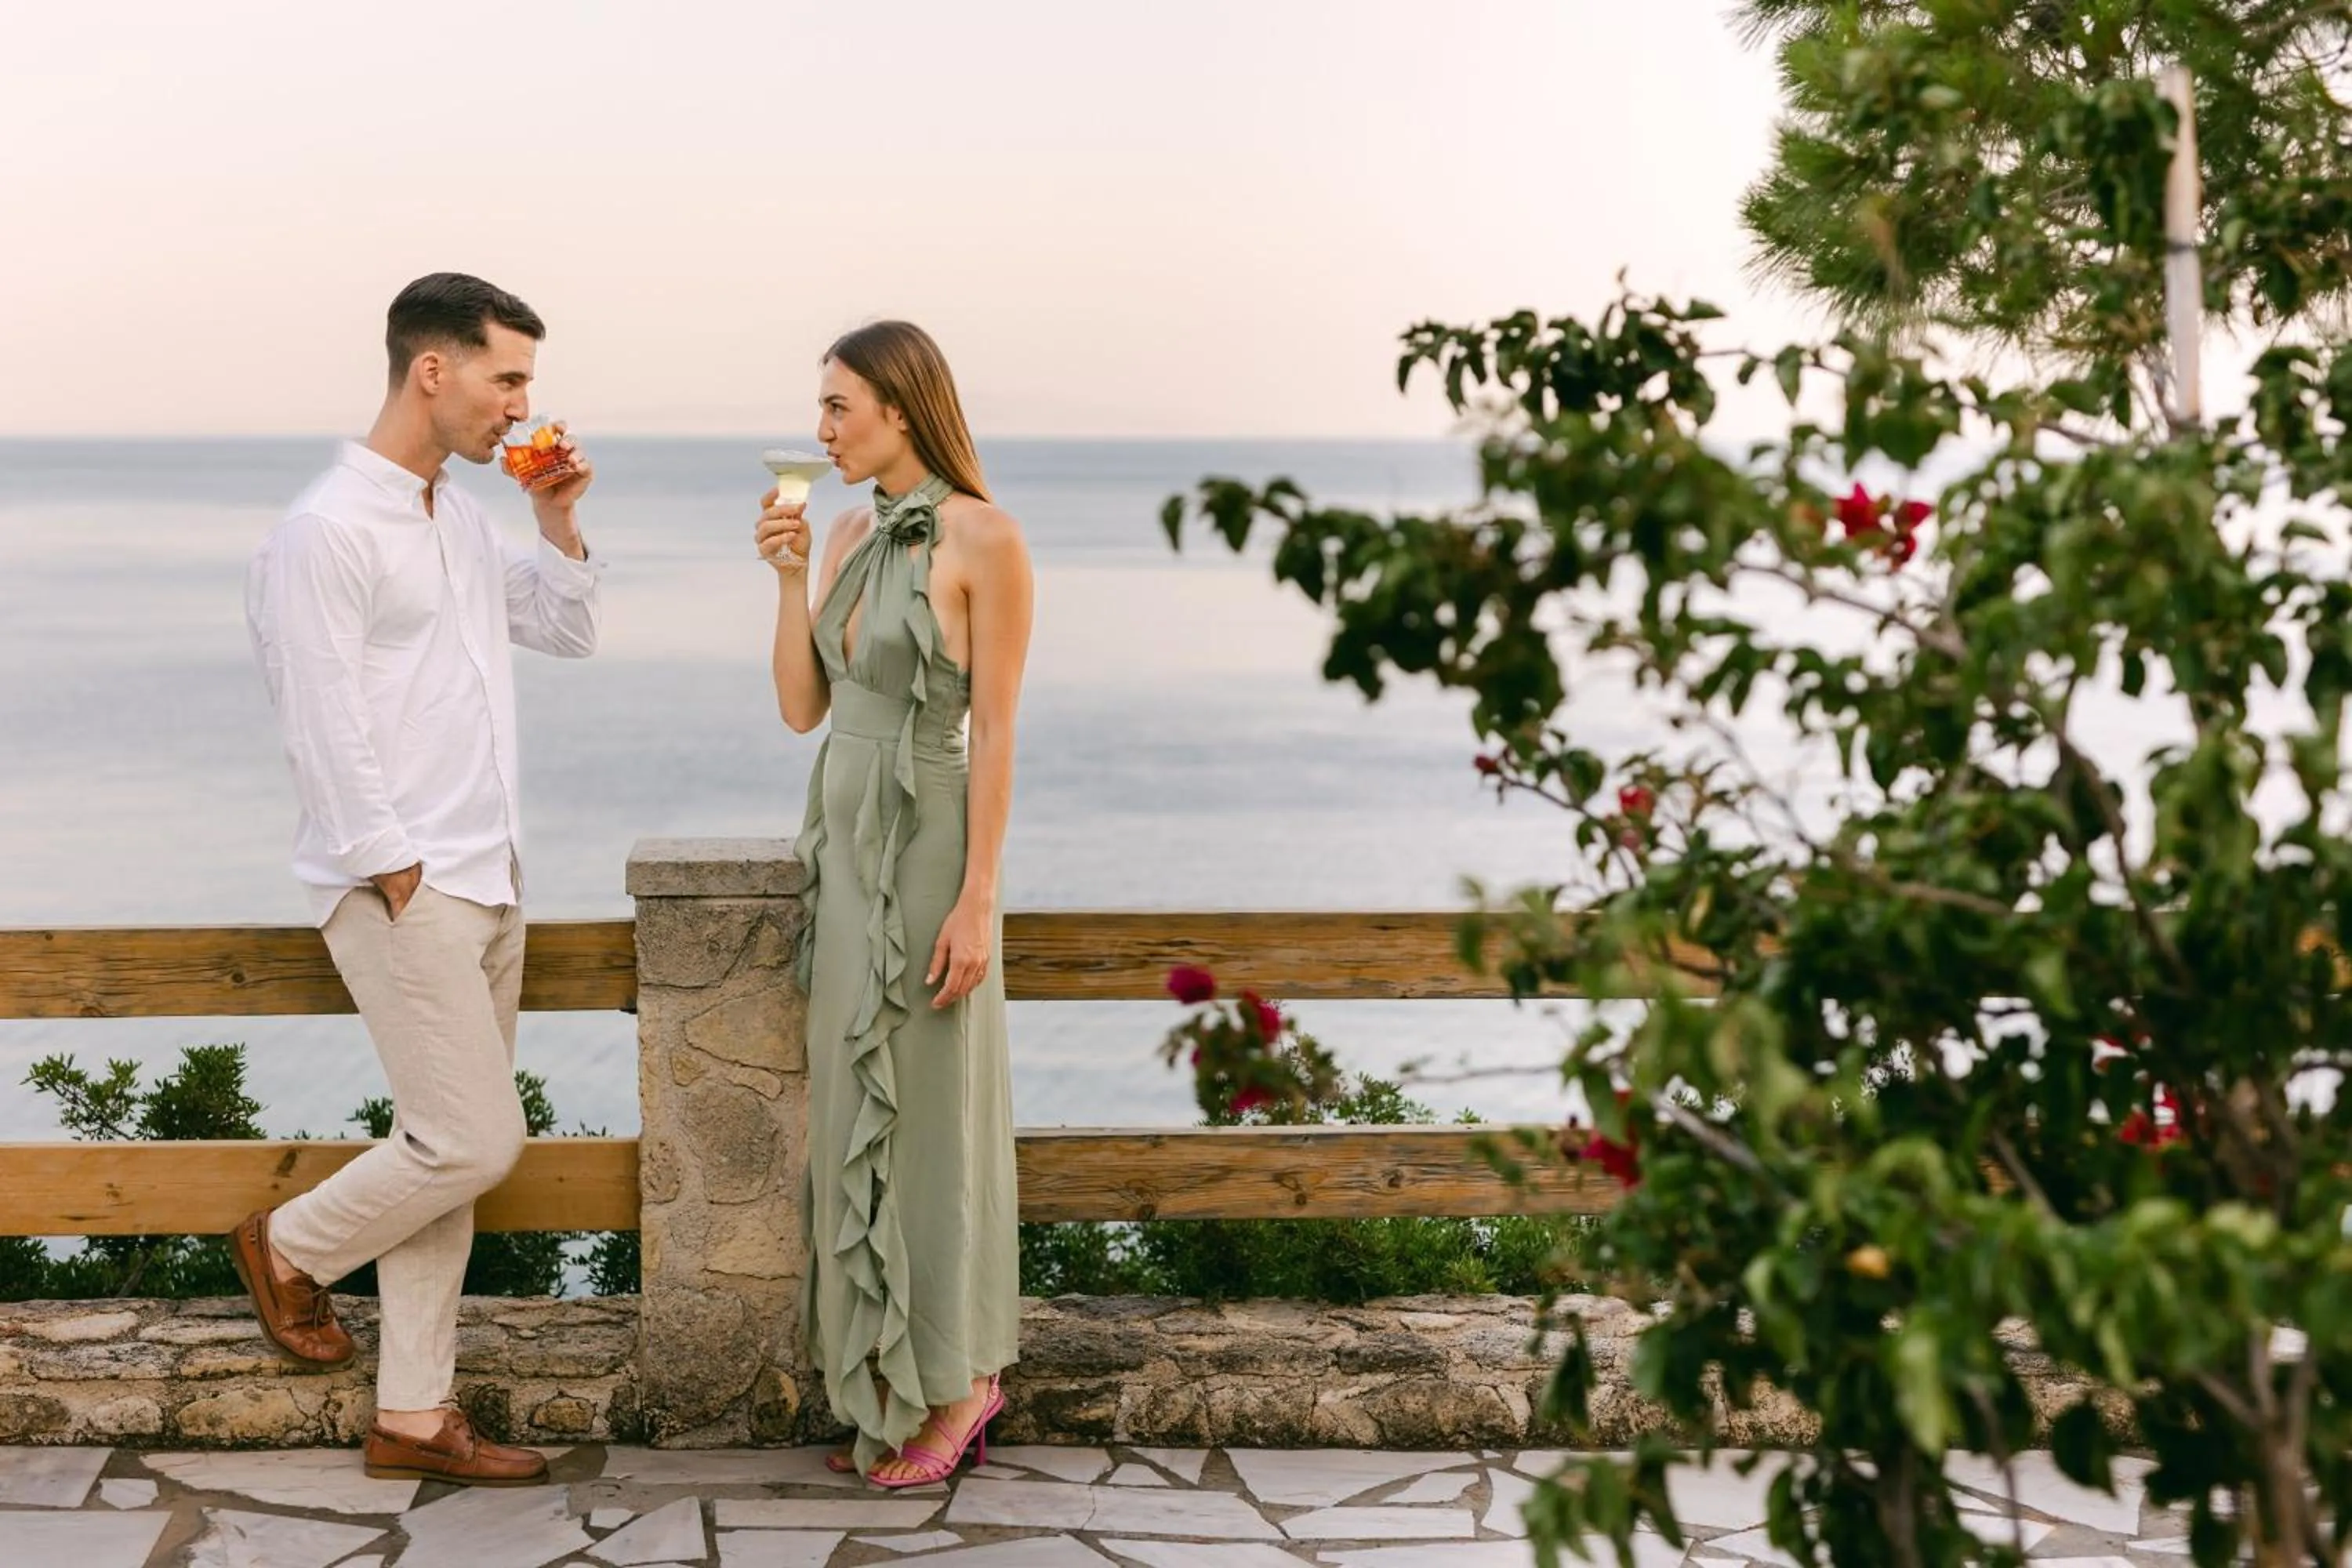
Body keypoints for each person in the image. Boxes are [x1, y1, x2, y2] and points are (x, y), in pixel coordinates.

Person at [239, 271, 602, 1486]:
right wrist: (390, 866)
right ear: (432, 371)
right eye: (508, 378)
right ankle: (286, 1245)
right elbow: (320, 717)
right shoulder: (325, 529)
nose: (521, 405)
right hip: (402, 882)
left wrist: (555, 524)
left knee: (440, 1150)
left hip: (488, 874)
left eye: (527, 385)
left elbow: (564, 633)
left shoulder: (458, 516)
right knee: (474, 1139)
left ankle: (411, 1416)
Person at [757, 320, 1033, 1486]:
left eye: (839, 408)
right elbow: (801, 709)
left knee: (932, 1116)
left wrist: (978, 901)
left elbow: (1001, 733)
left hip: (928, 849)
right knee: (850, 1119)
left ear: (902, 410)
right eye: (820, 410)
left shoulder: (989, 540)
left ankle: (963, 1383)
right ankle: (879, 1383)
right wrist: (785, 577)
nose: (822, 431)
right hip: (843, 841)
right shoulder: (850, 533)